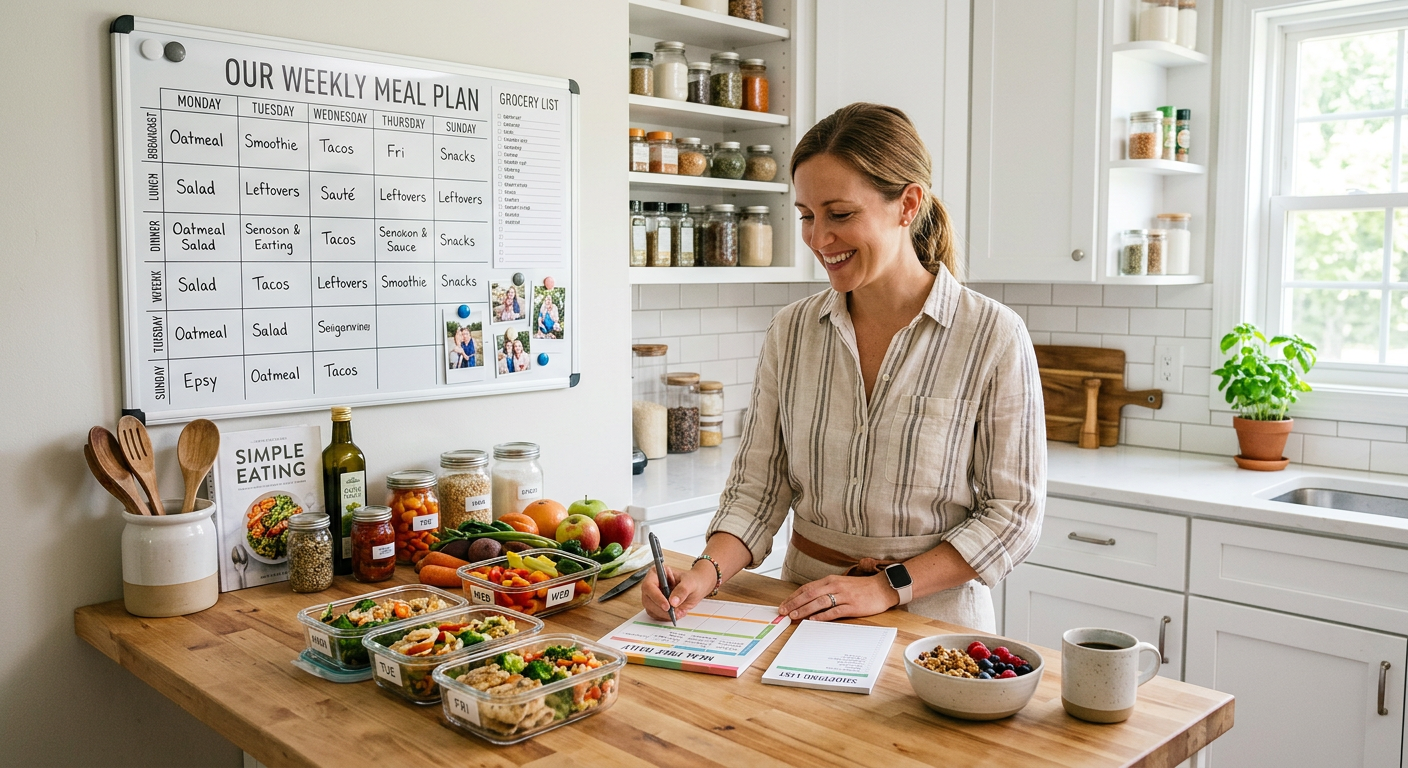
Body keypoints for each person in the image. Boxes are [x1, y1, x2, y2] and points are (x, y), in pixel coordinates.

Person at [641, 103, 1045, 632]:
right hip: (800, 607)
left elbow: (1012, 515)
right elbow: (758, 489)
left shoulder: (992, 335)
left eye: (840, 214)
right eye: (807, 215)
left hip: (934, 623)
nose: (817, 238)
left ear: (908, 204)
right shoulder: (792, 331)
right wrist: (704, 573)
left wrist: (885, 587)